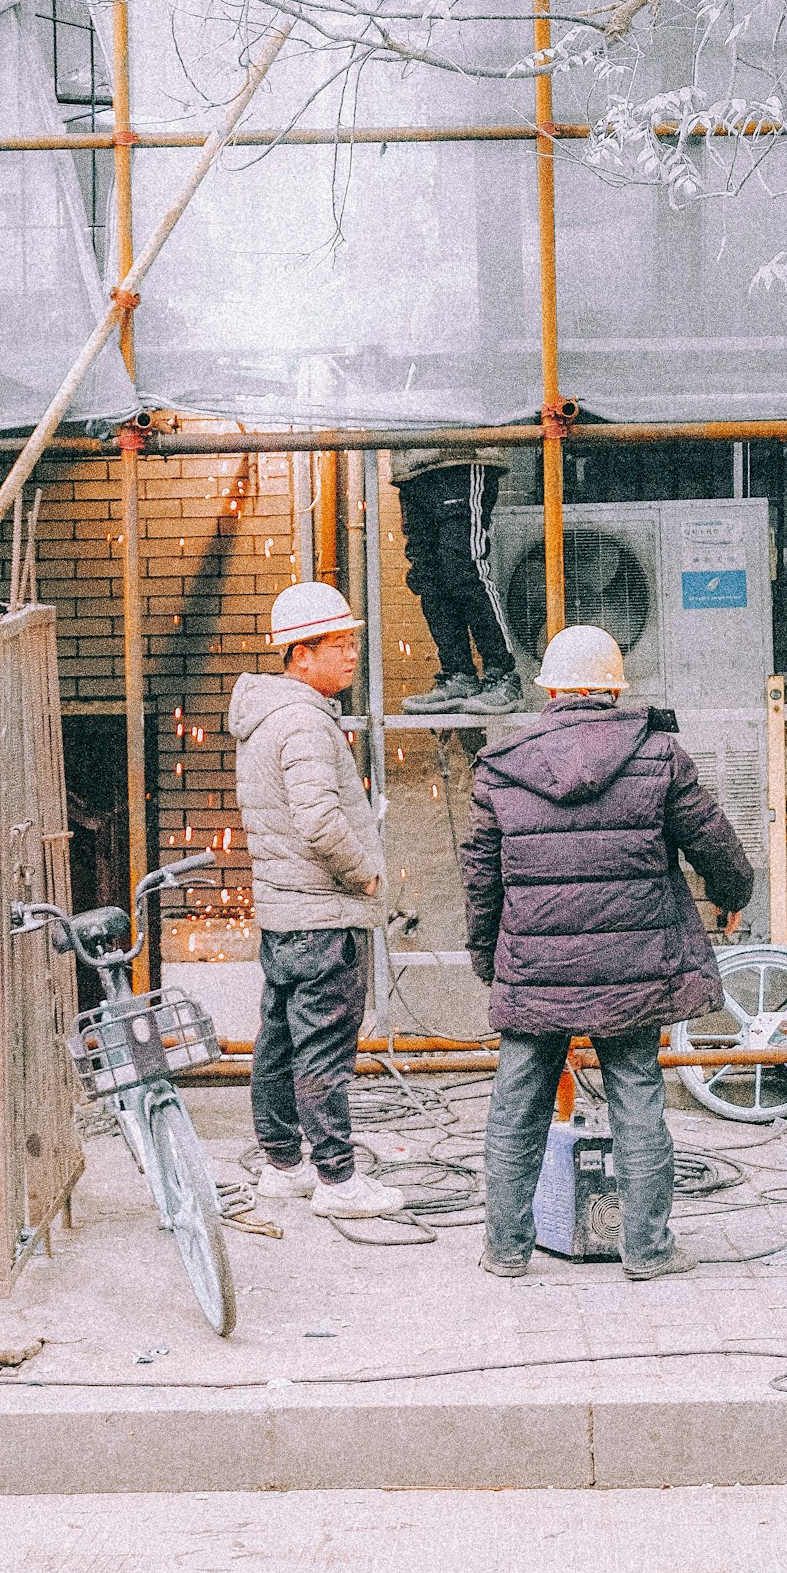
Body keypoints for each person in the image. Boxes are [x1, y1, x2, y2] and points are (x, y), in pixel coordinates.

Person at [461, 622, 755, 1279]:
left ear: (551, 691)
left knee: (515, 1108)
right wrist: (732, 895)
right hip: (634, 966)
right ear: (614, 688)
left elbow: (480, 879)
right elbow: (715, 844)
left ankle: (505, 1250)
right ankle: (647, 1250)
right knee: (638, 1098)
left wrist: (489, 959)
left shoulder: (501, 767)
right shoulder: (657, 753)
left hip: (536, 968)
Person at [227, 581, 403, 1220]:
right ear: (300, 655)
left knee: (277, 1044)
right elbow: (320, 822)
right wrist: (366, 876)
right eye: (338, 645)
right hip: (324, 917)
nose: (352, 655)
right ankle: (338, 1180)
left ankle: (282, 1165)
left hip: (284, 916)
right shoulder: (303, 721)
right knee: (325, 1050)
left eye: (352, 642)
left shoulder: (266, 717)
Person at [390, 442, 524, 715]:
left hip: (461, 455)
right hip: (412, 468)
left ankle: (503, 675)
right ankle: (458, 674)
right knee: (428, 576)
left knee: (464, 569)